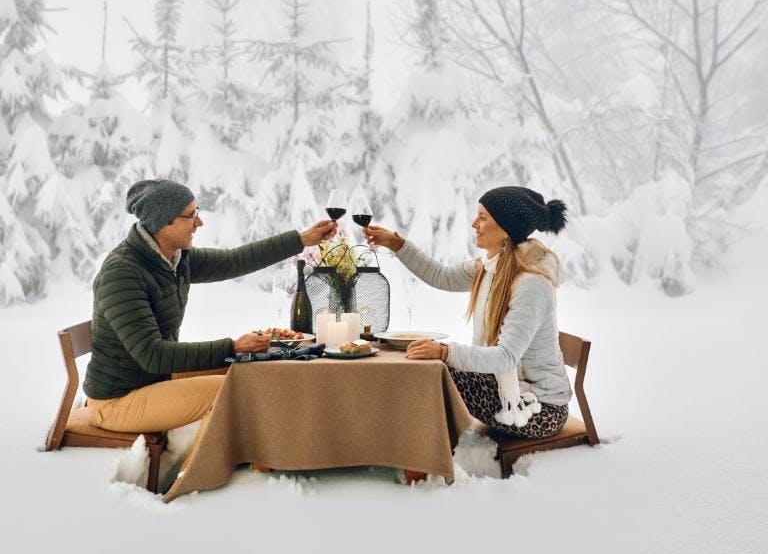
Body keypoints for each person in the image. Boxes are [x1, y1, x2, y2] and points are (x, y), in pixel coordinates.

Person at [84, 178, 336, 435]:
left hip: (156, 379)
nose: (200, 222)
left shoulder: (174, 258)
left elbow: (233, 261)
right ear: (163, 221)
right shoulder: (123, 273)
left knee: (249, 368)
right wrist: (233, 347)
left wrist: (300, 240)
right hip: (117, 401)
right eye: (191, 215)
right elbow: (152, 355)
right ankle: (205, 461)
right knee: (235, 390)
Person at [363, 186, 573, 438]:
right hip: (510, 391)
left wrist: (445, 352)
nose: (474, 224)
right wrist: (396, 243)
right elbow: (442, 276)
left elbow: (506, 357)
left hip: (540, 409)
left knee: (435, 372)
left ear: (506, 229)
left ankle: (417, 447)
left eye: (483, 218)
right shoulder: (490, 268)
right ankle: (411, 443)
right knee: (431, 369)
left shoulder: (531, 284)